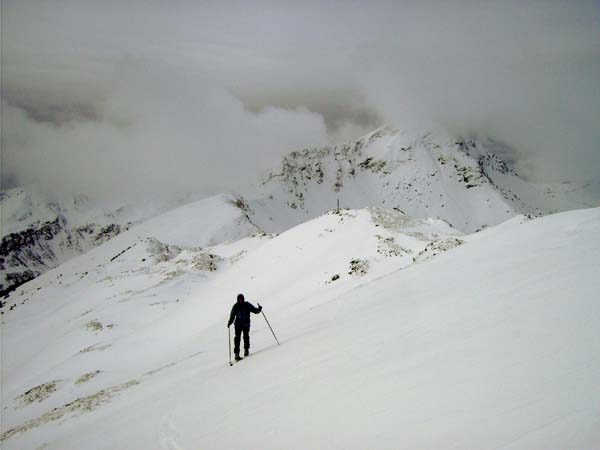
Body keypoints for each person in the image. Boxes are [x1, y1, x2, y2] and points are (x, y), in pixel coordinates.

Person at [227, 293, 262, 360]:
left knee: (246, 337)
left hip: (245, 324)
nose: (241, 300)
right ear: (238, 299)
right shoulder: (236, 306)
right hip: (238, 325)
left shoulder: (246, 305)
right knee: (237, 339)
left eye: (241, 299)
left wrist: (259, 309)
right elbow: (232, 315)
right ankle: (237, 354)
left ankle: (246, 351)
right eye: (239, 299)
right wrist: (230, 322)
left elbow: (254, 310)